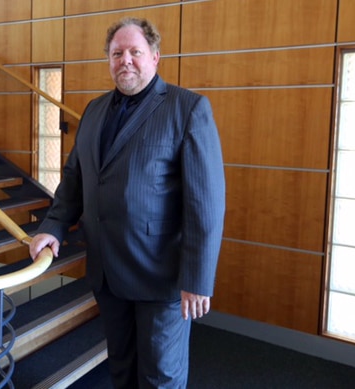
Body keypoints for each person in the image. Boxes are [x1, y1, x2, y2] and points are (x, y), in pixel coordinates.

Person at [29, 17, 225, 389]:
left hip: (160, 276)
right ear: (109, 60)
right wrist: (52, 227)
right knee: (122, 371)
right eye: (117, 53)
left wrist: (197, 278)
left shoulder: (188, 109)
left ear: (155, 57)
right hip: (107, 272)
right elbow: (74, 179)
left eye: (135, 52)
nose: (126, 61)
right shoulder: (94, 111)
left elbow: (206, 203)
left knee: (160, 377)